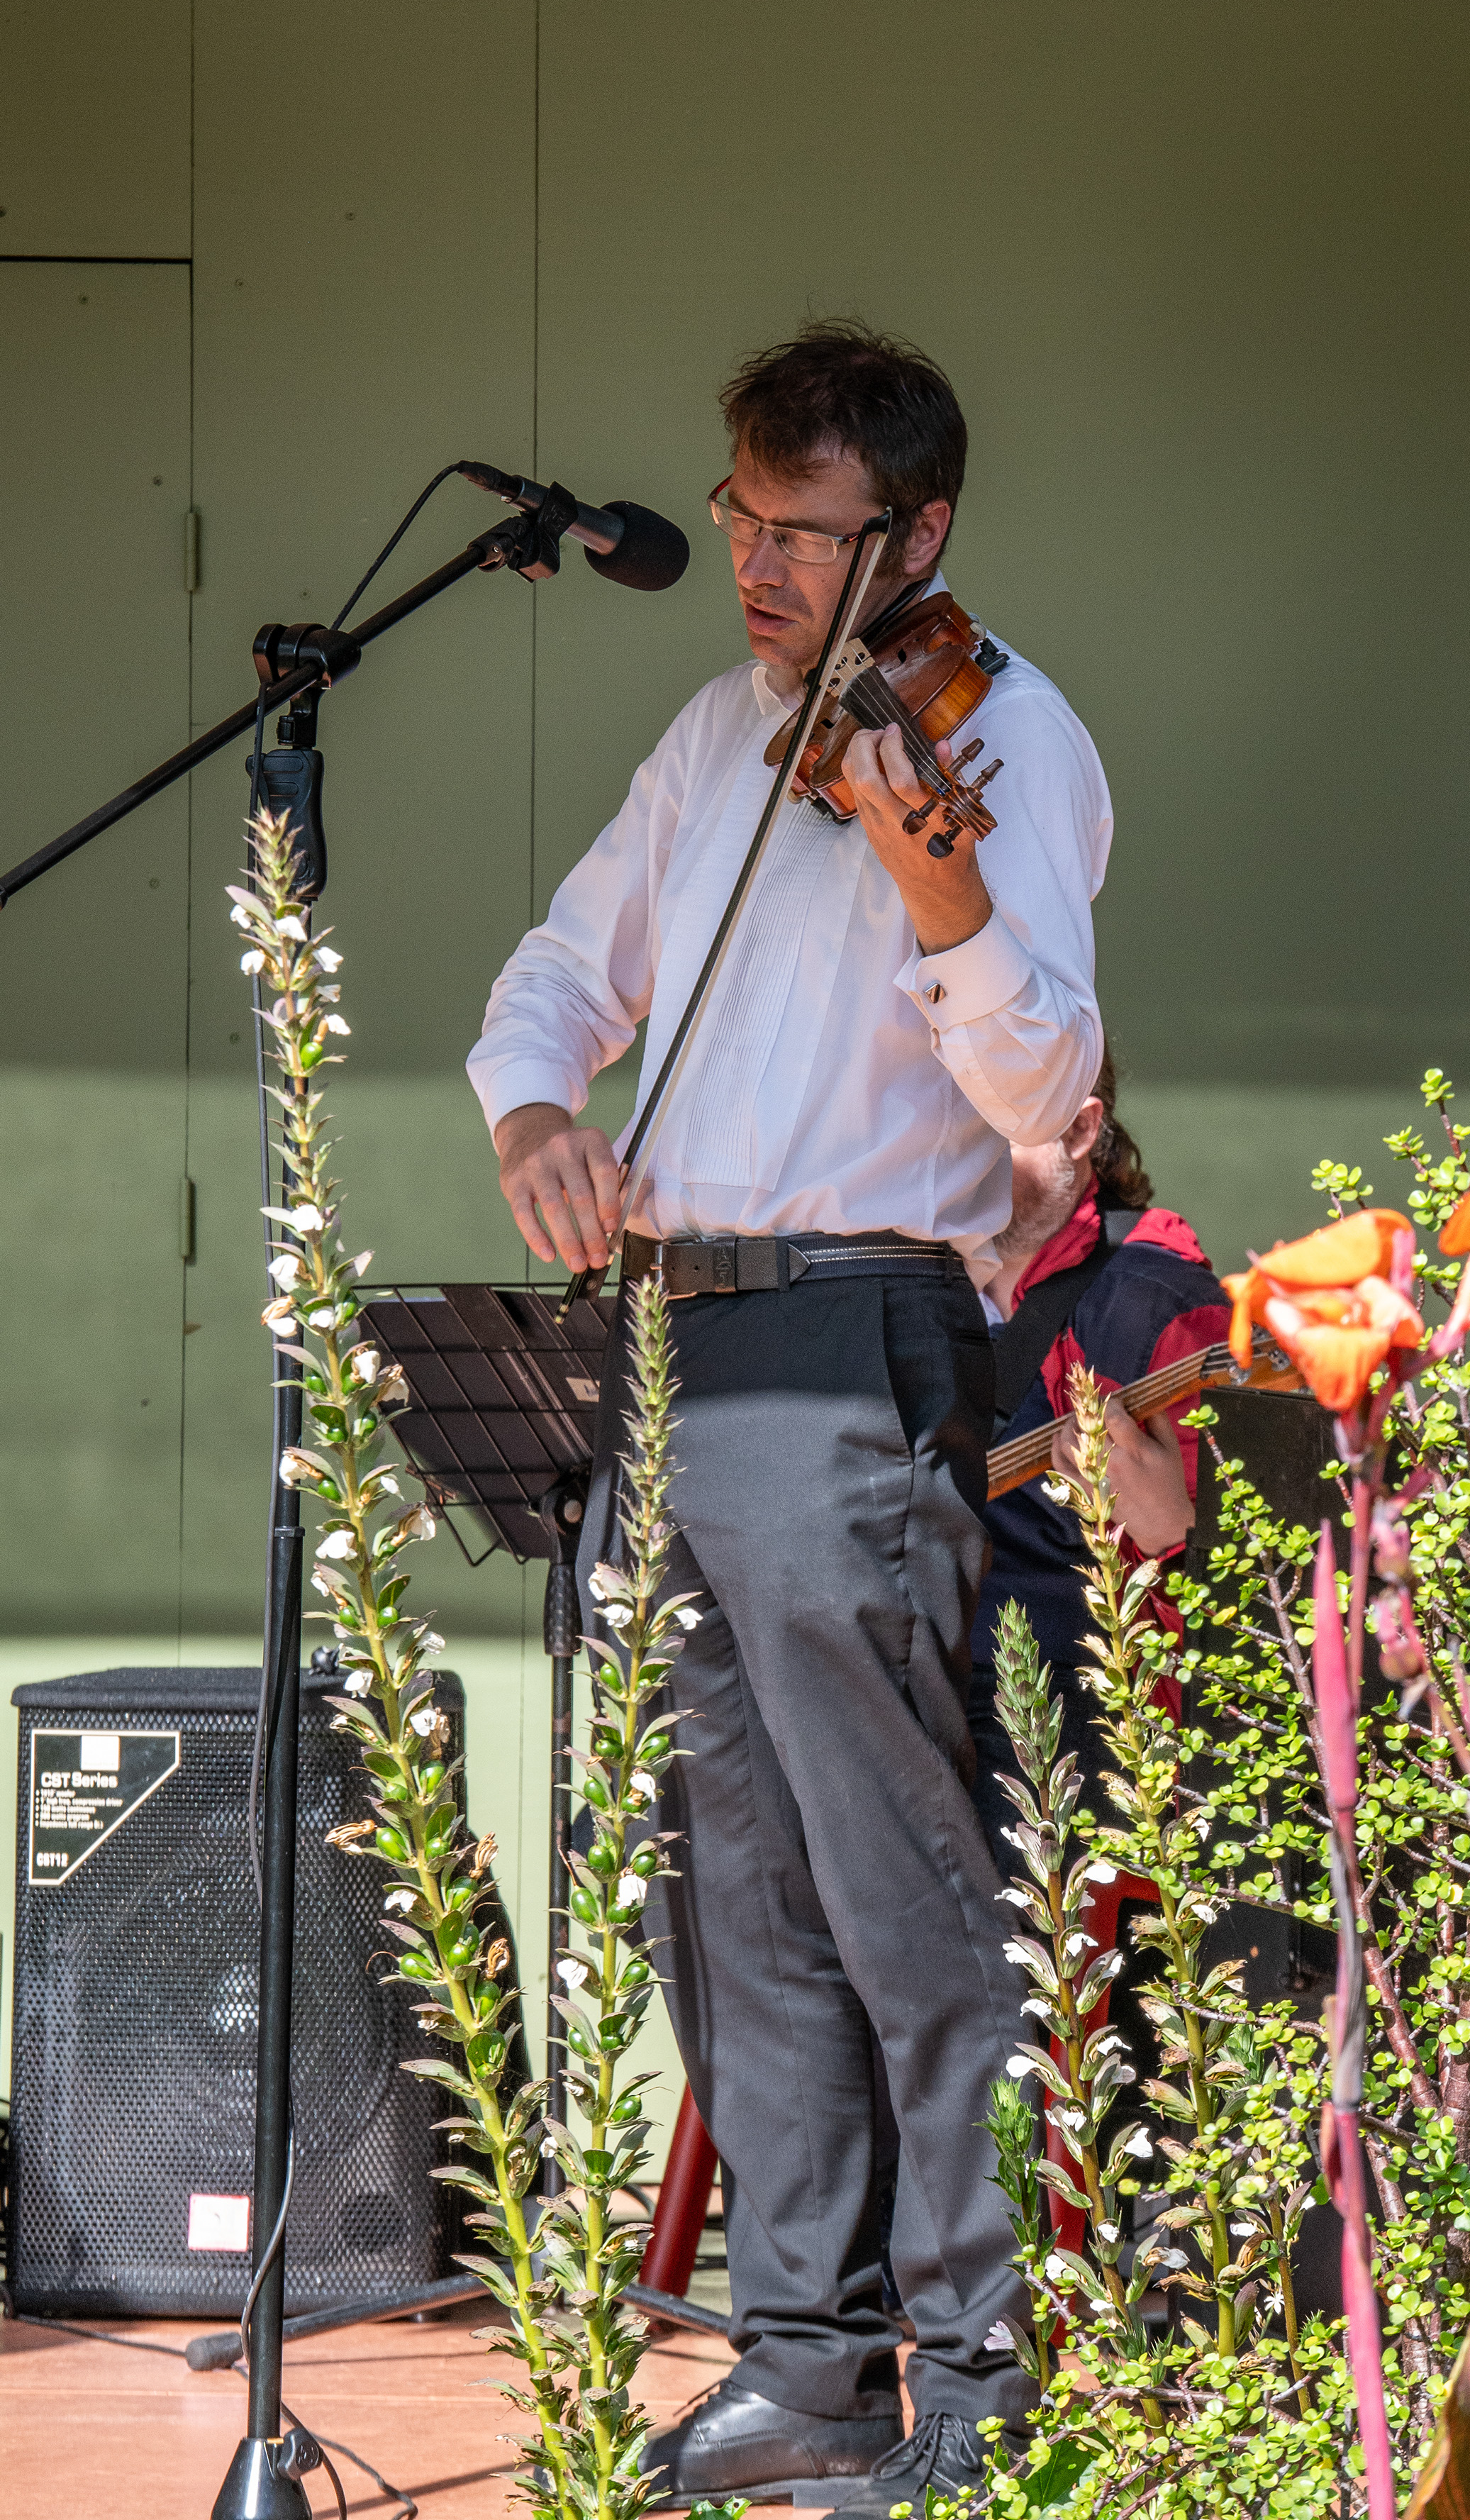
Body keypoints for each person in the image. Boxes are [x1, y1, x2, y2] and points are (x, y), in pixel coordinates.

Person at [465, 321, 1113, 2518]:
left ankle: (985, 2372)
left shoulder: (1009, 738)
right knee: (727, 1888)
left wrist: (931, 882)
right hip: (677, 1347)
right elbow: (558, 971)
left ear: (915, 534)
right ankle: (808, 2361)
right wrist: (541, 1111)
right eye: (738, 519)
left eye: (799, 533)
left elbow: (1051, 1095)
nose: (751, 566)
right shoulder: (711, 737)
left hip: (859, 1340)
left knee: (907, 1891)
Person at [967, 1058, 1231, 1882]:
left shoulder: (1161, 1312)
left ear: (1080, 1131)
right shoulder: (898, 1292)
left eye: (983, 1120)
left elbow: (1249, 1607)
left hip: (1062, 1767)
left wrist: (1169, 1533)